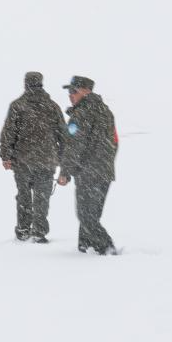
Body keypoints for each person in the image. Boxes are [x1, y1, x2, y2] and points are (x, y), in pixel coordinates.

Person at [0, 71, 68, 243]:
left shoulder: (17, 106)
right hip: (47, 162)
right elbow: (64, 136)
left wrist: (6, 156)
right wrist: (62, 160)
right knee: (42, 198)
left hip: (22, 161)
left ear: (25, 84)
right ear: (41, 84)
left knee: (24, 197)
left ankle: (23, 230)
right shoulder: (52, 106)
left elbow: (8, 133)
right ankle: (39, 232)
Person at [58, 76, 118, 254]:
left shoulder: (81, 113)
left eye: (74, 91)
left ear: (86, 91)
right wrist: (104, 162)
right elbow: (114, 142)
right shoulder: (106, 111)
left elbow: (74, 145)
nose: (70, 95)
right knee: (91, 215)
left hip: (88, 173)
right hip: (103, 172)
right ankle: (85, 246)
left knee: (86, 216)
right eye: (69, 91)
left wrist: (65, 172)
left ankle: (107, 248)